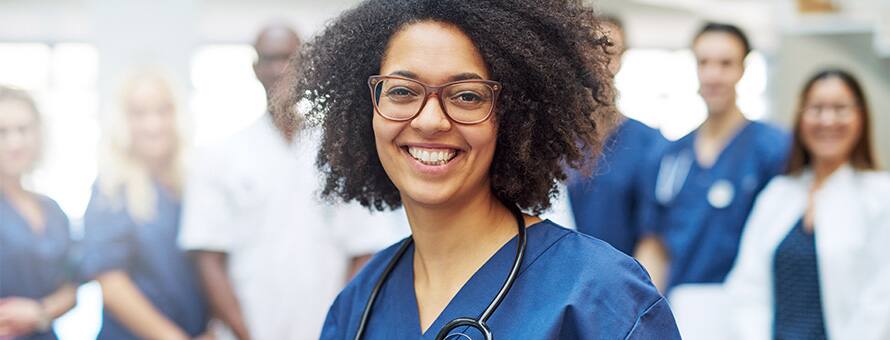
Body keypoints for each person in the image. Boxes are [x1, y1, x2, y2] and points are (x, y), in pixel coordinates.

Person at [272, 0, 682, 338]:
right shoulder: (359, 305)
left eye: (467, 96)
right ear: (366, 113)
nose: (430, 121)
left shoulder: (599, 294)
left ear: (514, 117)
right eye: (401, 91)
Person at [179, 24, 401, 340]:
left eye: (290, 58)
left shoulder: (341, 152)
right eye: (269, 58)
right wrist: (245, 335)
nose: (279, 69)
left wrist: (338, 327)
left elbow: (364, 250)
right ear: (254, 69)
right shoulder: (219, 156)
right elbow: (207, 258)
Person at [725, 69, 890, 340]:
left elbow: (881, 300)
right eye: (816, 109)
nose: (827, 120)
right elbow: (747, 287)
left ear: (861, 117)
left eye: (840, 108)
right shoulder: (778, 195)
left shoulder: (880, 196)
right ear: (800, 117)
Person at [635, 22, 789, 292]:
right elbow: (654, 243)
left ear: (743, 69)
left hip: (749, 306)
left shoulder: (773, 149)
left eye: (725, 64)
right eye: (703, 63)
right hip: (681, 304)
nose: (712, 75)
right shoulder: (670, 156)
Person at [80, 72, 208, 340]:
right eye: (139, 114)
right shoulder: (111, 188)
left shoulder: (191, 184)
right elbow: (112, 283)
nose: (154, 124)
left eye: (163, 111)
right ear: (123, 121)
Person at [565, 15, 668, 255]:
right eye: (590, 47)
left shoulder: (649, 143)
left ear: (622, 59)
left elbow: (651, 238)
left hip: (621, 278)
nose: (600, 58)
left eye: (609, 48)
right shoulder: (553, 143)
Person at [0, 86, 76, 340]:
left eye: (24, 130)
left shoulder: (51, 210)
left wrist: (39, 312)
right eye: (2, 132)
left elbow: (71, 287)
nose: (15, 142)